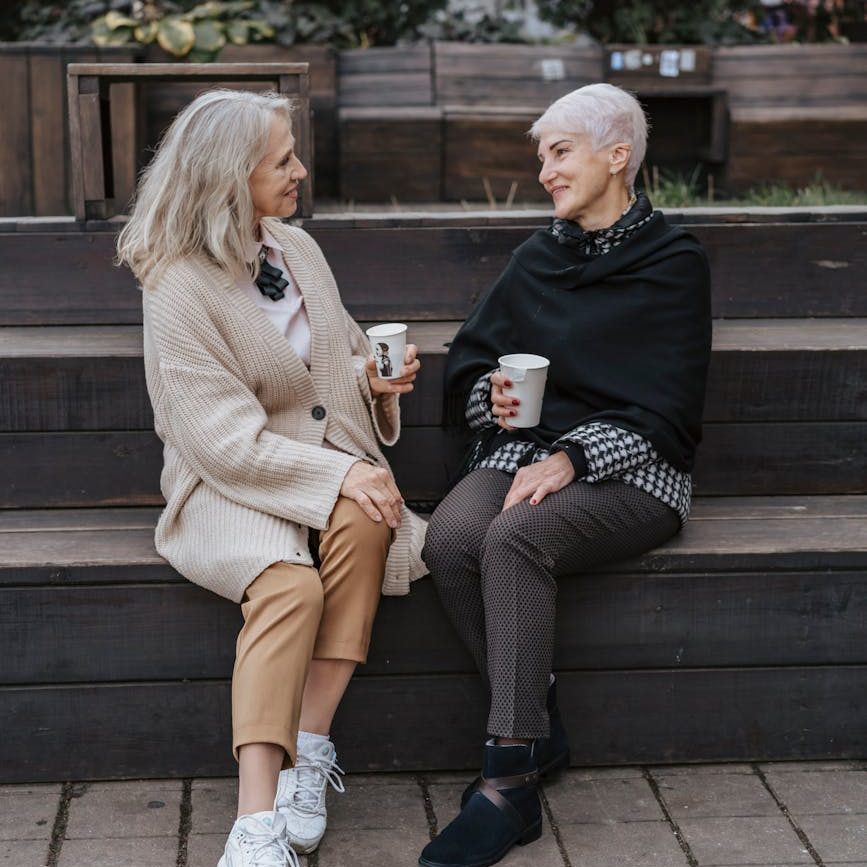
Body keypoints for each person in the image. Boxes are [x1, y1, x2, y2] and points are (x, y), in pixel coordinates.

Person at [116, 89, 427, 867]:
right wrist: (340, 470)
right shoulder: (178, 285)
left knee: (370, 514)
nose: (299, 170)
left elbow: (338, 360)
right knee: (290, 586)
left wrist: (373, 382)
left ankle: (310, 748)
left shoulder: (296, 250)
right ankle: (256, 822)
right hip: (227, 480)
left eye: (294, 153)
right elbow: (220, 441)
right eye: (281, 160)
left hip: (321, 457)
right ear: (229, 177)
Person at [420, 83, 712, 867]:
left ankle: (508, 779)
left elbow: (670, 405)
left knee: (513, 538)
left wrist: (575, 457)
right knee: (448, 539)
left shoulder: (673, 263)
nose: (545, 171)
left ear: (616, 156)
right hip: (525, 451)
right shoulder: (537, 256)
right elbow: (475, 355)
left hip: (636, 470)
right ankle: (538, 722)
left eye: (559, 152)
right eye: (540, 155)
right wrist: (495, 397)